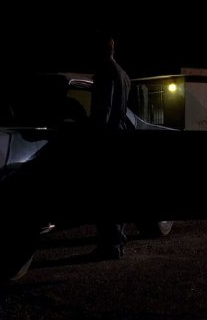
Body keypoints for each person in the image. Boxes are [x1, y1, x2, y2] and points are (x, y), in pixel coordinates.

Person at [89, 30, 133, 260]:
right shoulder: (124, 74)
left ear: (103, 49)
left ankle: (110, 245)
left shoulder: (105, 71)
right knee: (117, 191)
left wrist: (95, 135)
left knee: (105, 193)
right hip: (121, 135)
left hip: (108, 138)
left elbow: (104, 108)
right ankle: (116, 243)